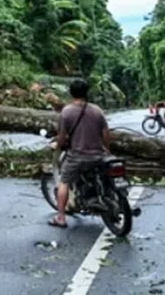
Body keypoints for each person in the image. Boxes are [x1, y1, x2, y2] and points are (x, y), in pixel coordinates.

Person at [49, 78, 110, 228]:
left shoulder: (67, 111)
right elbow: (106, 134)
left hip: (77, 157)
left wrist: (58, 145)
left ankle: (61, 217)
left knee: (64, 182)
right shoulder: (97, 110)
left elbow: (62, 136)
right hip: (98, 156)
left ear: (71, 93)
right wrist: (106, 150)